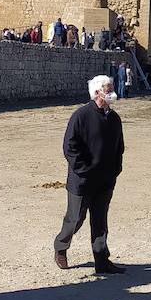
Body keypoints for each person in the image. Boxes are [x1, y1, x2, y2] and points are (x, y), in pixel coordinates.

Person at [53, 75, 126, 274]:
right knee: (75, 219)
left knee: (100, 221)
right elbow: (70, 147)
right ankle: (60, 247)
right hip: (82, 181)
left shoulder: (114, 118)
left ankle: (101, 259)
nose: (112, 92)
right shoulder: (81, 116)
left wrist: (115, 171)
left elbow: (119, 147)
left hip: (105, 181)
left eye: (111, 88)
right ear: (97, 93)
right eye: (108, 89)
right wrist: (84, 170)